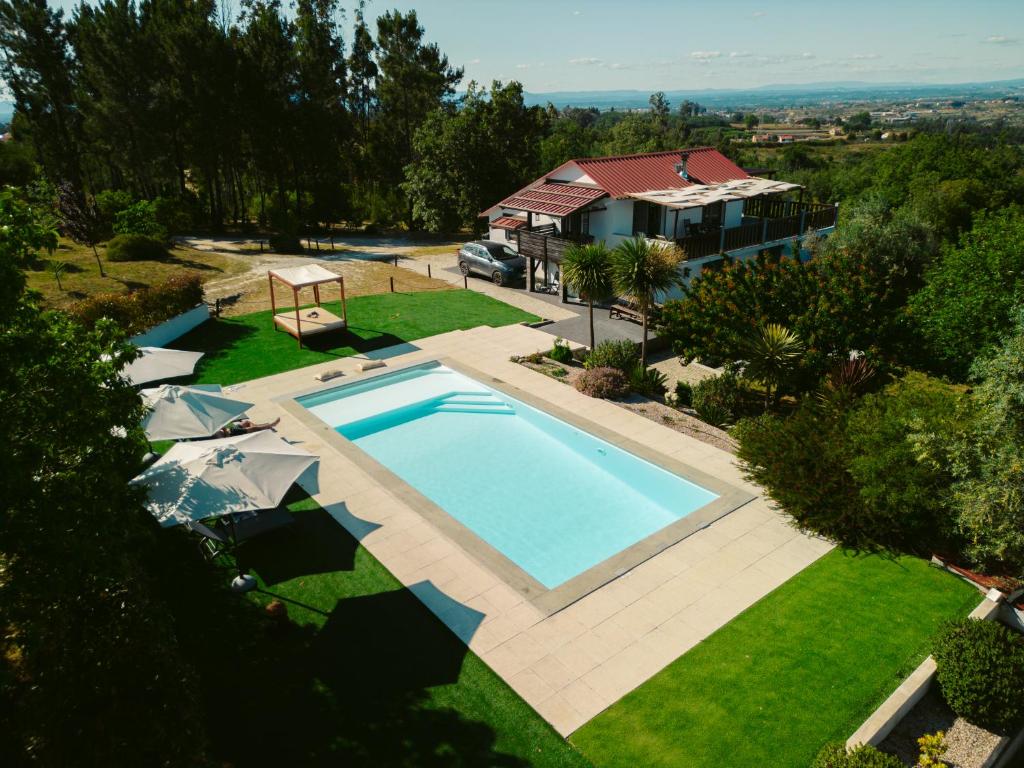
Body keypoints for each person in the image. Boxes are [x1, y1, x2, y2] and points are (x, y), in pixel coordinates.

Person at [214, 416, 280, 438]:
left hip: (232, 429)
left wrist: (227, 426)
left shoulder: (214, 430)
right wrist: (225, 429)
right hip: (233, 433)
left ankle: (259, 428)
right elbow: (227, 439)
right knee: (254, 428)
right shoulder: (216, 435)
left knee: (247, 422)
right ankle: (271, 425)